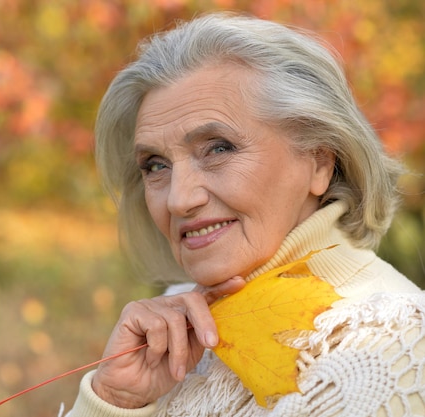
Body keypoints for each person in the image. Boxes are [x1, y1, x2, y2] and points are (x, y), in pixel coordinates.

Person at [63, 12, 425, 417]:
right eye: (155, 165)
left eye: (218, 148)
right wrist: (115, 401)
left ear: (319, 161)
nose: (178, 201)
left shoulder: (398, 350)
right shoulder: (172, 327)